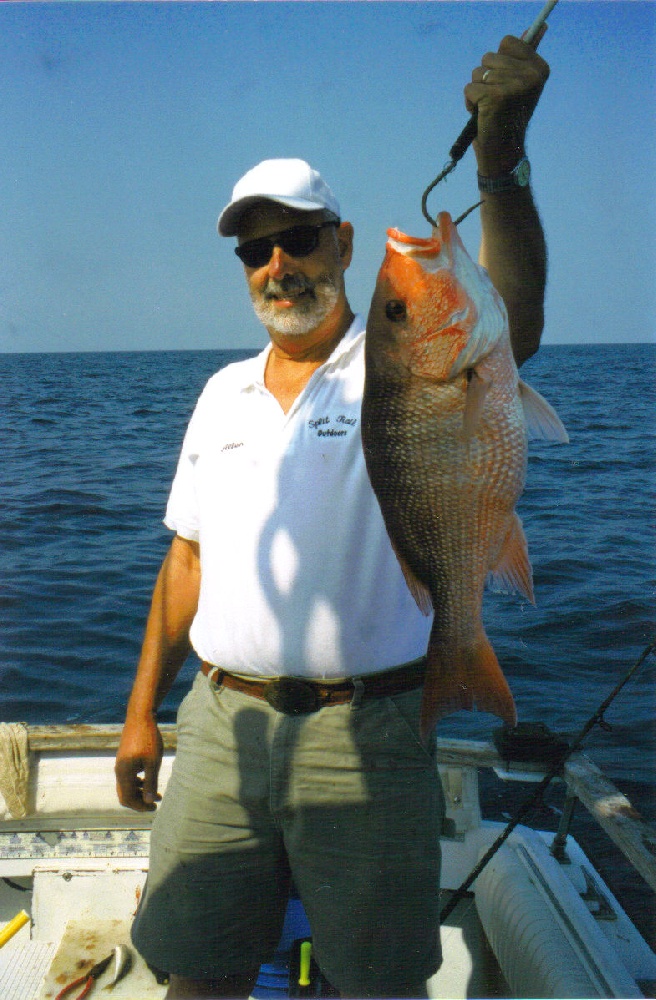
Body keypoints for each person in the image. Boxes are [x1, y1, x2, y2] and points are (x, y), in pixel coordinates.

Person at [115, 35, 550, 1000]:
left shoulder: (394, 361)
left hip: (371, 730)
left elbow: (511, 316)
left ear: (344, 243)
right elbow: (184, 563)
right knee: (197, 972)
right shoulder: (220, 395)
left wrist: (499, 164)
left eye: (300, 238)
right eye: (254, 249)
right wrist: (143, 711)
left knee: (378, 982)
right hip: (220, 726)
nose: (278, 265)